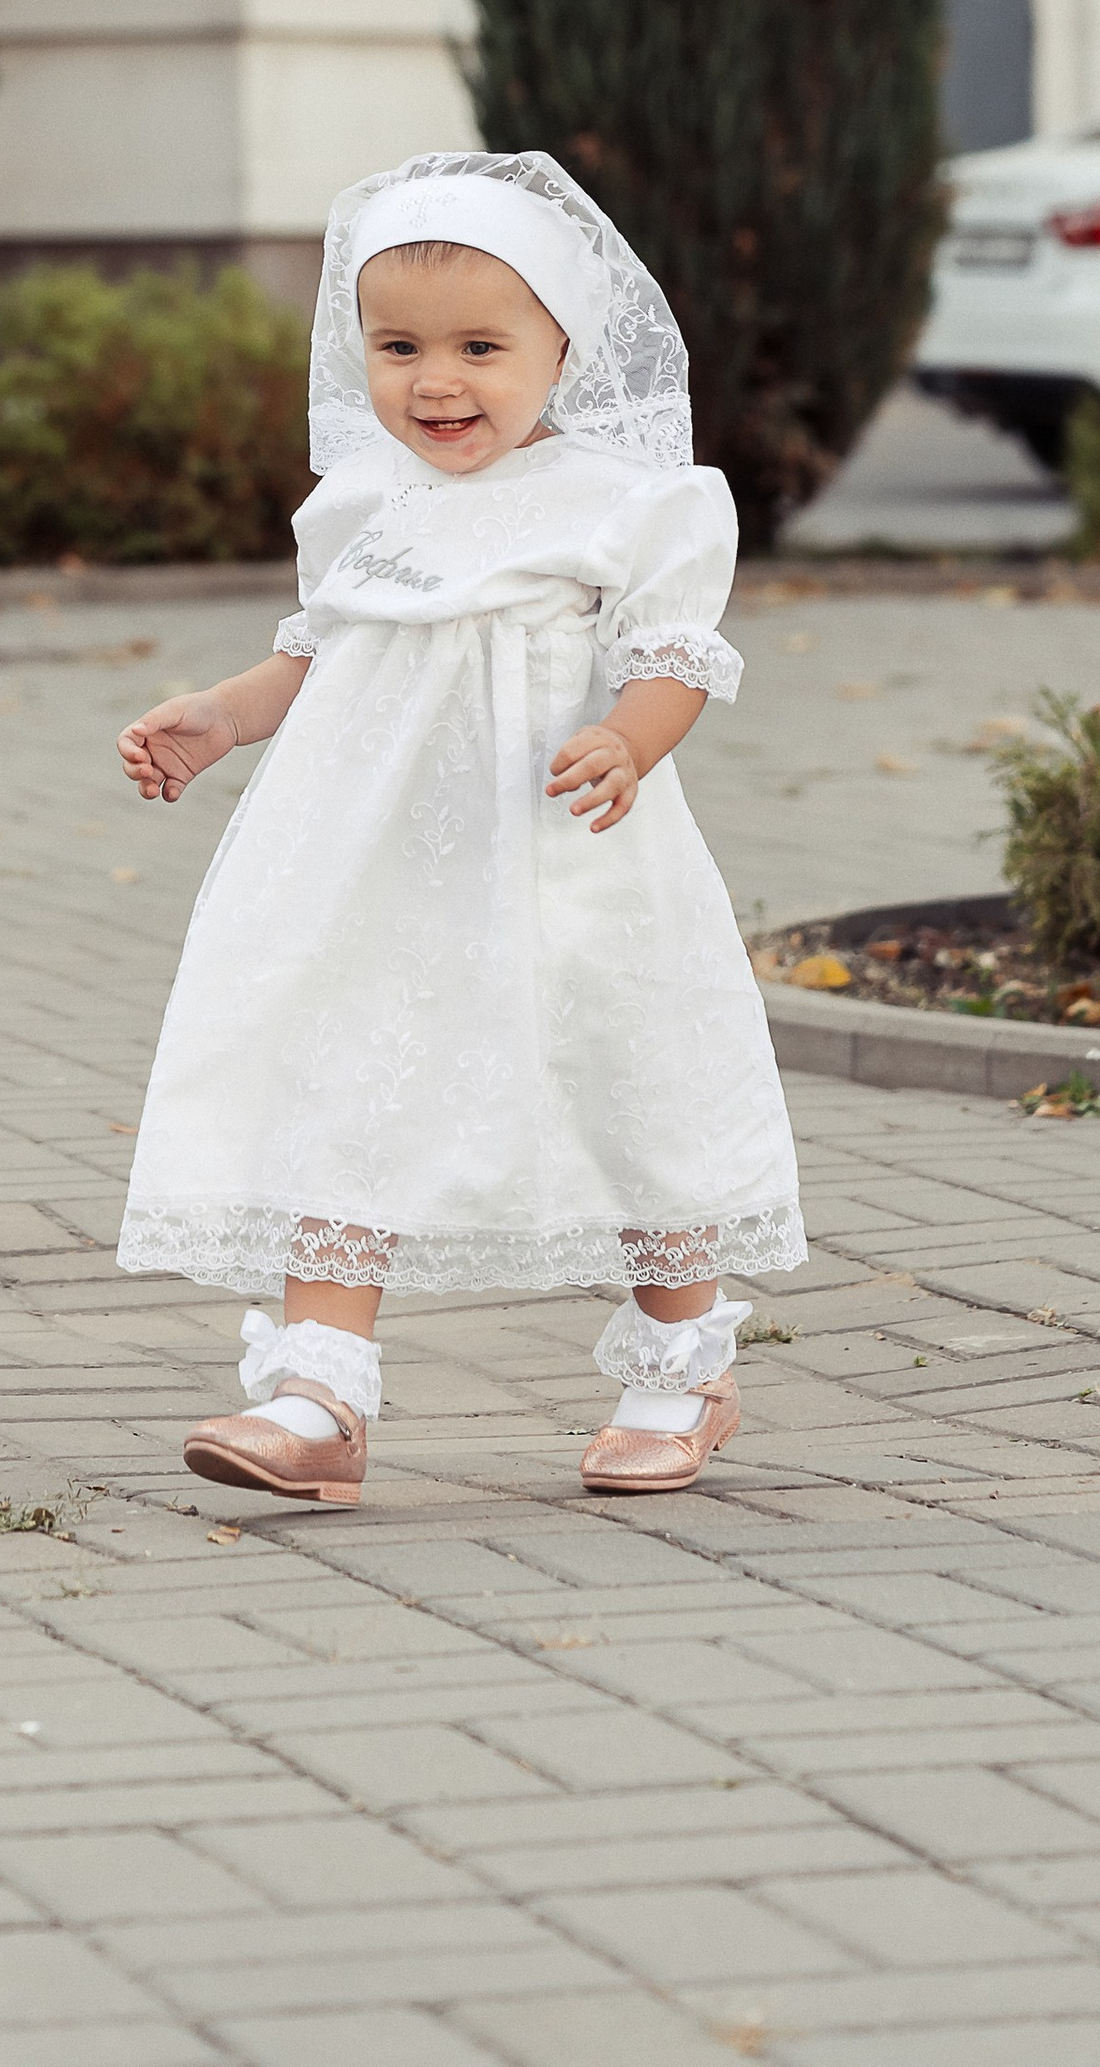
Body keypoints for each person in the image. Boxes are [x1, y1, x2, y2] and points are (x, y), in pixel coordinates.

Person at [115, 147, 802, 1504]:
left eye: (483, 347)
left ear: (564, 346)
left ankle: (683, 1366)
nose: (436, 382)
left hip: (564, 854)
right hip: (380, 865)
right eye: (399, 346)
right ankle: (319, 1395)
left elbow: (674, 655)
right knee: (347, 1070)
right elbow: (325, 655)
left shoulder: (628, 500)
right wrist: (223, 712)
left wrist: (632, 735)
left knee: (628, 1086)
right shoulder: (371, 504)